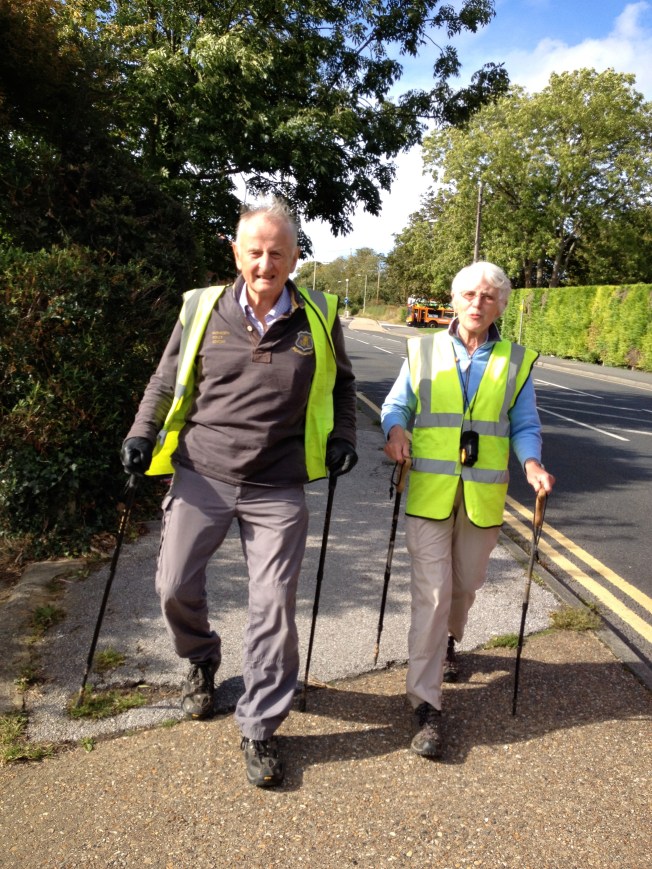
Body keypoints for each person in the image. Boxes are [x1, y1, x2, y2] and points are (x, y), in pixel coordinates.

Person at [120, 200, 357, 787]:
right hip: (202, 471)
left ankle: (259, 726)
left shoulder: (319, 315)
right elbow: (165, 378)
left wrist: (343, 436)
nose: (265, 262)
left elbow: (344, 387)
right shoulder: (203, 307)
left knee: (272, 605)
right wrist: (139, 434)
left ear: (295, 256)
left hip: (277, 483)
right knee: (173, 584)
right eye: (255, 250)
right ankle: (201, 658)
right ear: (236, 252)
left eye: (278, 252)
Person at [381, 261, 555, 759]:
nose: (478, 303)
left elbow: (525, 424)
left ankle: (450, 641)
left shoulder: (514, 361)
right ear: (453, 300)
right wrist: (395, 431)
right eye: (469, 294)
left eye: (489, 296)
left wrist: (532, 463)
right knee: (431, 595)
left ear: (501, 305)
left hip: (481, 495)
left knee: (466, 585)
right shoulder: (422, 350)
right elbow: (397, 405)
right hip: (429, 493)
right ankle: (426, 705)